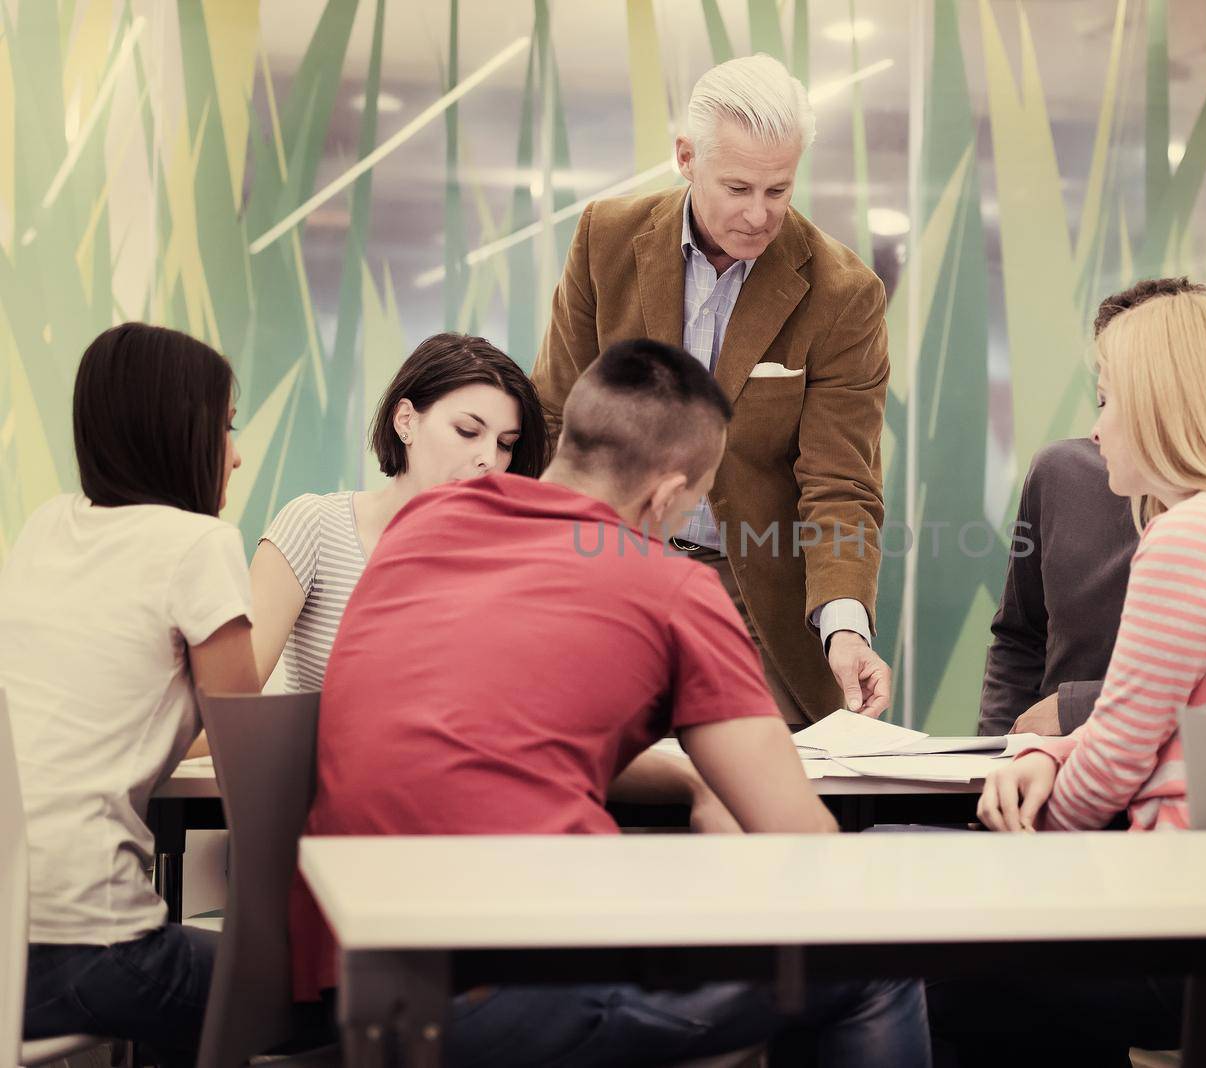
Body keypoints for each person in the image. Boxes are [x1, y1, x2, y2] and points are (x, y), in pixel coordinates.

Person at [291, 338, 929, 1066]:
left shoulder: (420, 526)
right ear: (664, 497)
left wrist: (692, 776)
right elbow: (800, 840)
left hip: (359, 983)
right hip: (506, 991)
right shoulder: (674, 588)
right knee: (870, 956)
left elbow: (502, 744)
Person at [936, 287, 1206, 1064]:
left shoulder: (1190, 534)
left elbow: (1119, 757)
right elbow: (1143, 725)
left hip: (1194, 929)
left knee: (933, 967)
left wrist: (1021, 843)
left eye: (1107, 400)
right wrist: (1043, 752)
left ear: (1160, 409)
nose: (1094, 429)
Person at [533, 54, 890, 724]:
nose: (759, 215)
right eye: (738, 188)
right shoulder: (605, 241)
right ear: (686, 157)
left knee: (759, 800)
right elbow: (553, 415)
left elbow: (841, 482)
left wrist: (845, 627)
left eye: (778, 191)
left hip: (757, 598)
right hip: (608, 571)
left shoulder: (845, 296)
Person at [0, 324, 259, 1062]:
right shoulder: (199, 544)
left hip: (6, 948)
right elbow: (251, 755)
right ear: (176, 429)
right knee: (322, 993)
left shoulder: (47, 526)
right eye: (226, 425)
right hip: (91, 950)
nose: (236, 452)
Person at [981, 284, 1206, 737]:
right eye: (1103, 397)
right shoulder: (1058, 474)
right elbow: (1020, 639)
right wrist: (990, 771)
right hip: (1055, 771)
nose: (1099, 427)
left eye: (1115, 397)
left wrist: (1079, 708)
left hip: (1165, 775)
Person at [250, 332, 547, 690]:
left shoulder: (503, 563)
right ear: (406, 420)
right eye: (468, 431)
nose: (489, 459)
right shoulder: (315, 528)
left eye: (505, 444)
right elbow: (230, 706)